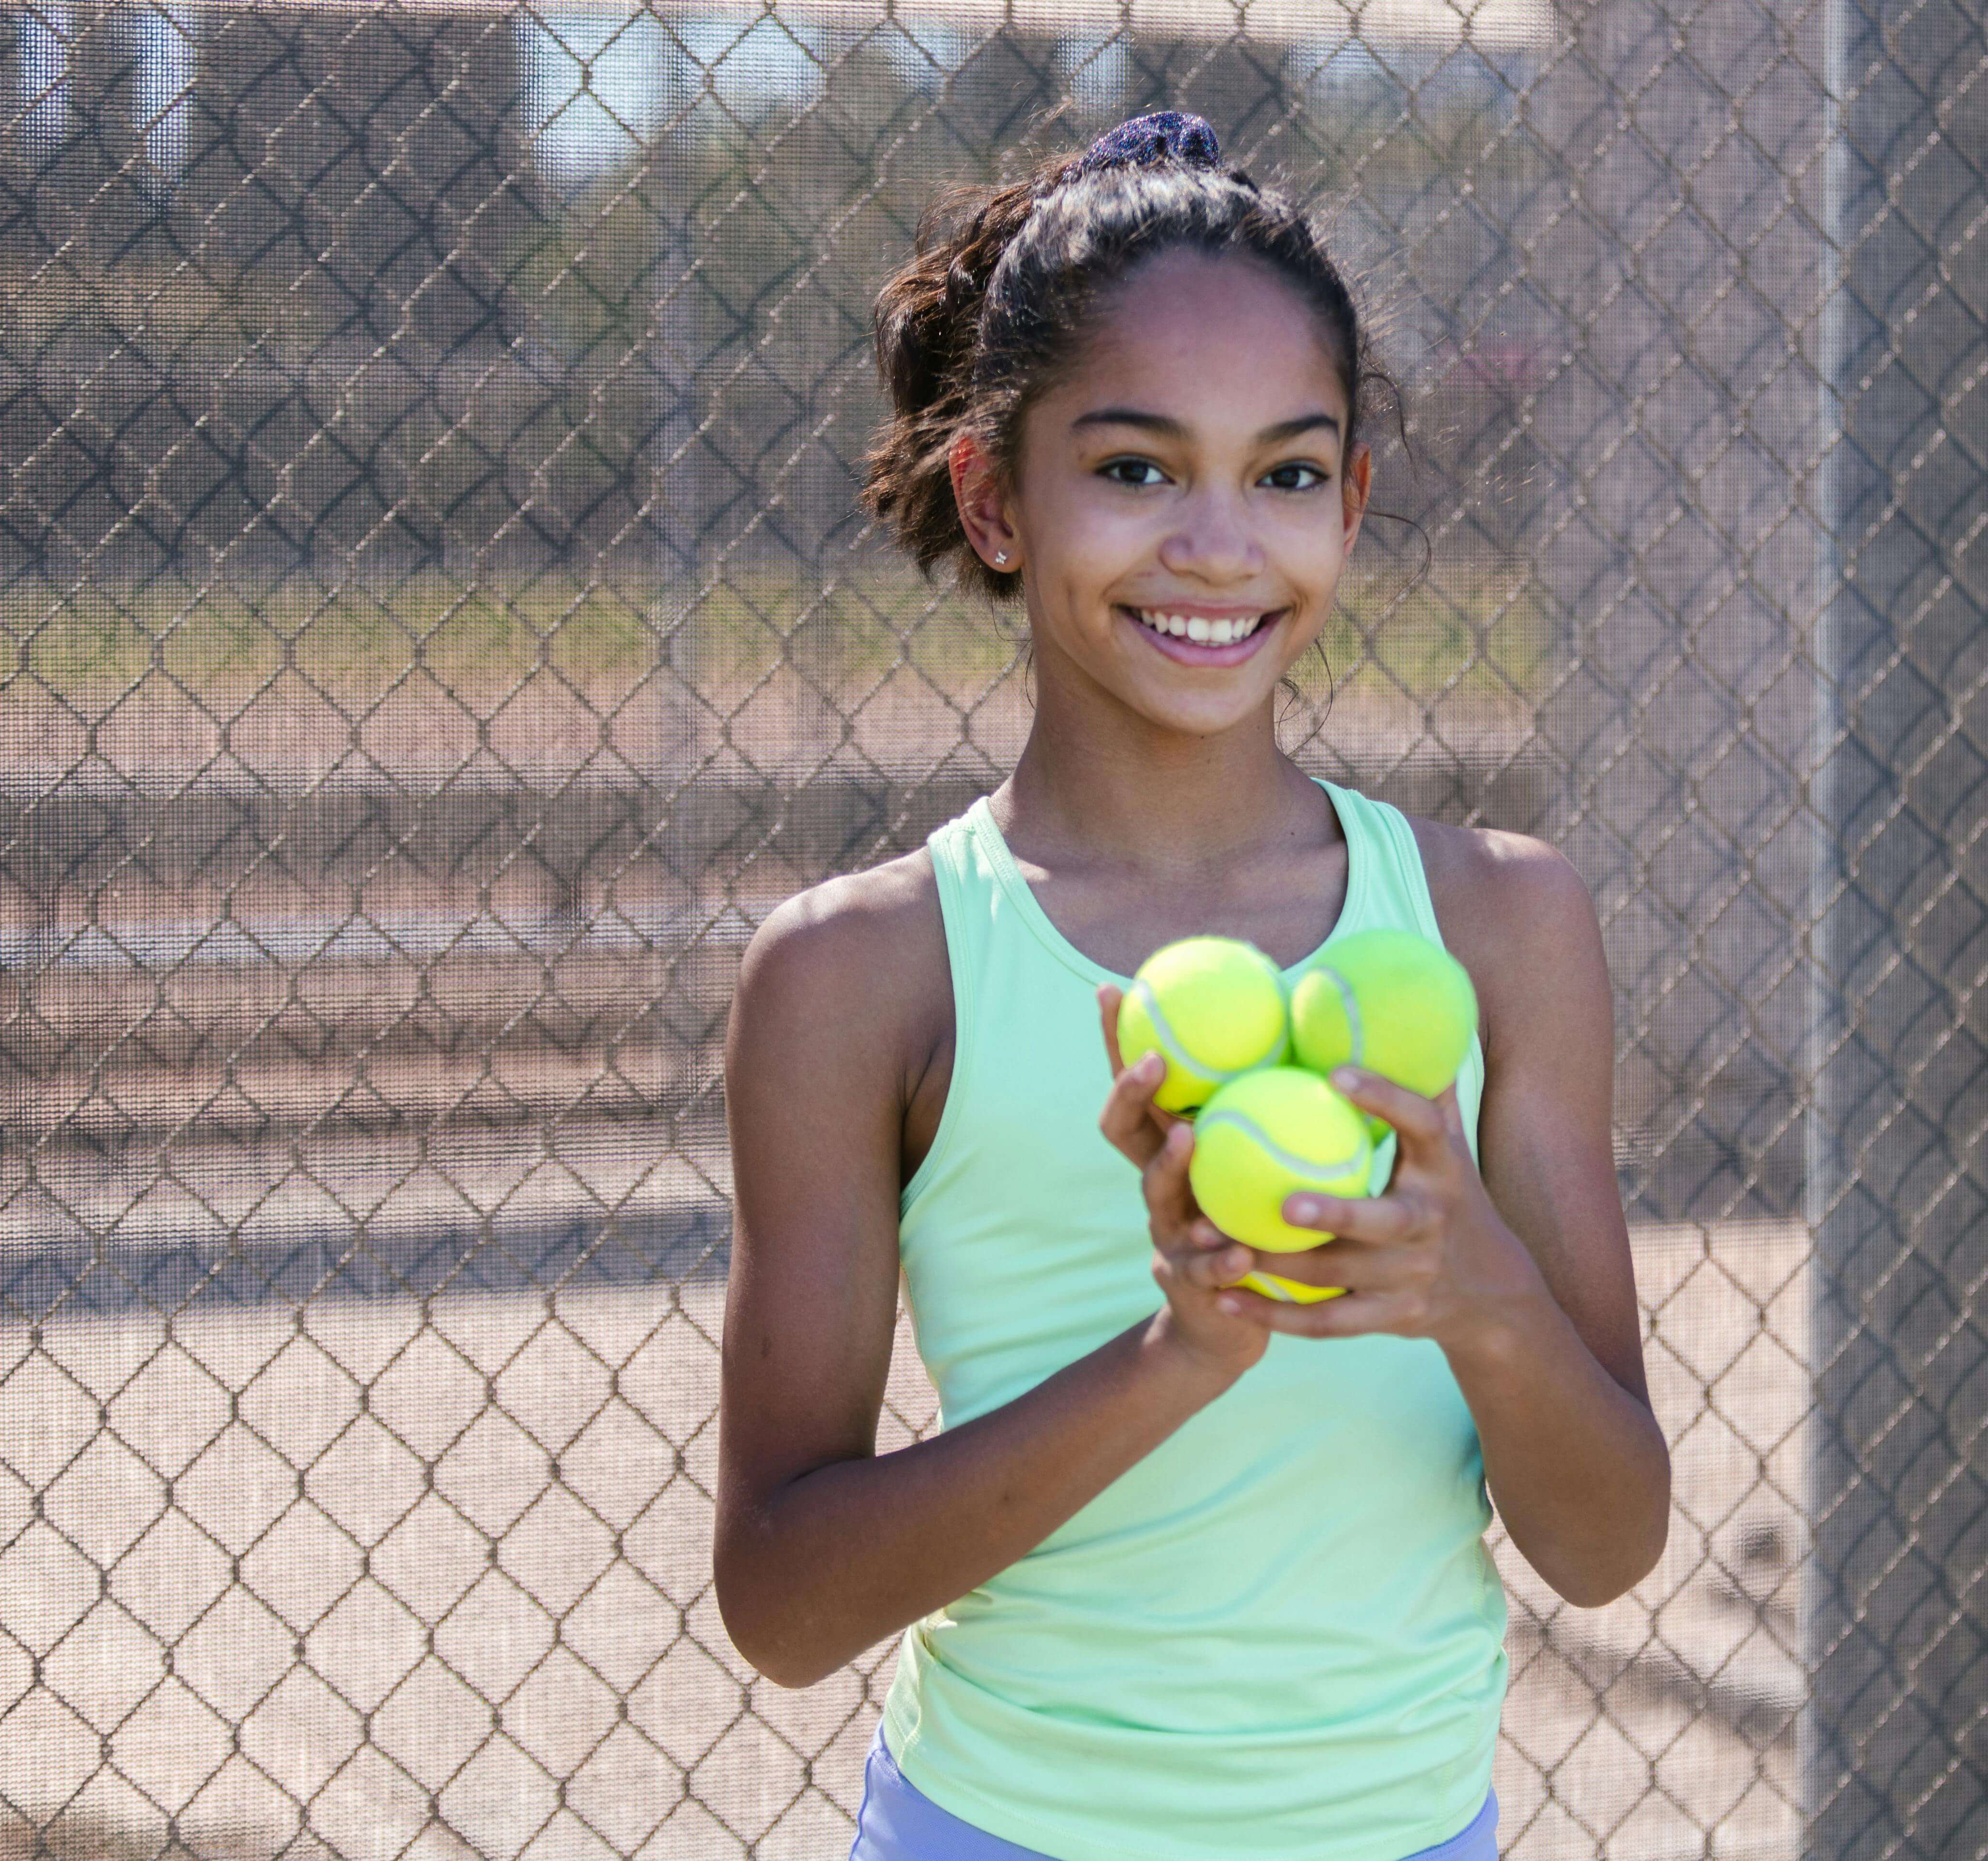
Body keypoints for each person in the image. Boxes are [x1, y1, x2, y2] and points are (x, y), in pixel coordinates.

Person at [714, 111, 1670, 1861]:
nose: (1222, 545)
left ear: (1354, 501)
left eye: (1288, 473)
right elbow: (782, 1601)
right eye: (1138, 469)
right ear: (995, 497)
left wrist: (1482, 1294)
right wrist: (1182, 1350)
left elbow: (1607, 1544)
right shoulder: (863, 975)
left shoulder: (1503, 925)